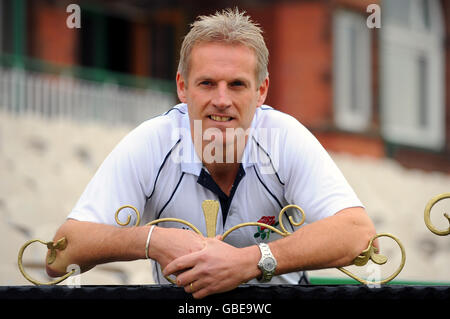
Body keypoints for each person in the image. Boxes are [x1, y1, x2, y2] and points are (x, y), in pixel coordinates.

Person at [46, 8, 377, 299]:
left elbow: (360, 235)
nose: (221, 99)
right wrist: (153, 240)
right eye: (206, 83)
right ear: (182, 86)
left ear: (261, 91)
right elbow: (59, 256)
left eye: (236, 84)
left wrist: (250, 261)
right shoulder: (151, 141)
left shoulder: (284, 136)